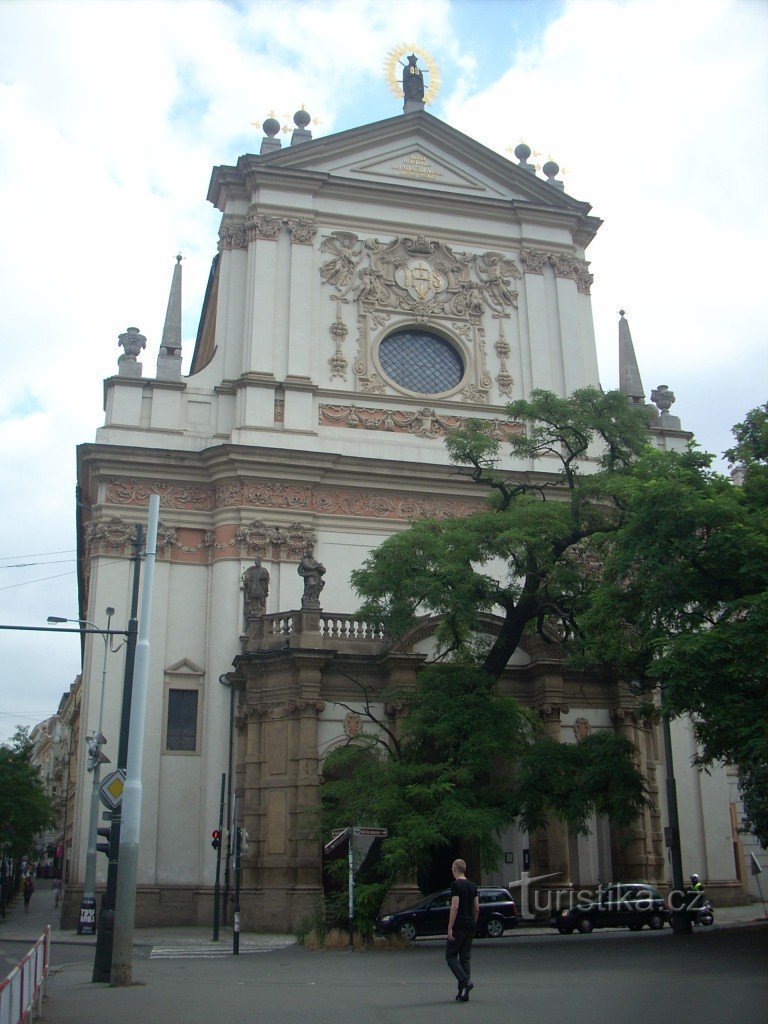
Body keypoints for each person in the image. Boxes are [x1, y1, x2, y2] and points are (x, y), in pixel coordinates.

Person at [445, 858, 479, 1002]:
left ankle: (464, 981)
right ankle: (464, 993)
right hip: (470, 925)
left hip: (458, 925)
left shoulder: (455, 885)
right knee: (465, 958)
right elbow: (476, 907)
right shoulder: (473, 885)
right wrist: (473, 922)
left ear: (454, 869)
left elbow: (455, 906)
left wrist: (450, 927)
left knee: (451, 956)